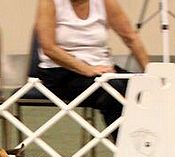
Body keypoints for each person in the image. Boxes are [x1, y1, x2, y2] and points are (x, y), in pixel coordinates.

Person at [36, 0, 149, 141]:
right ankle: (128, 152)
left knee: (145, 88)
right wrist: (86, 69)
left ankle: (153, 146)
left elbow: (130, 37)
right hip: (61, 73)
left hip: (102, 70)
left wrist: (151, 71)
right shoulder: (49, 2)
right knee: (113, 91)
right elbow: (48, 48)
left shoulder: (105, 2)